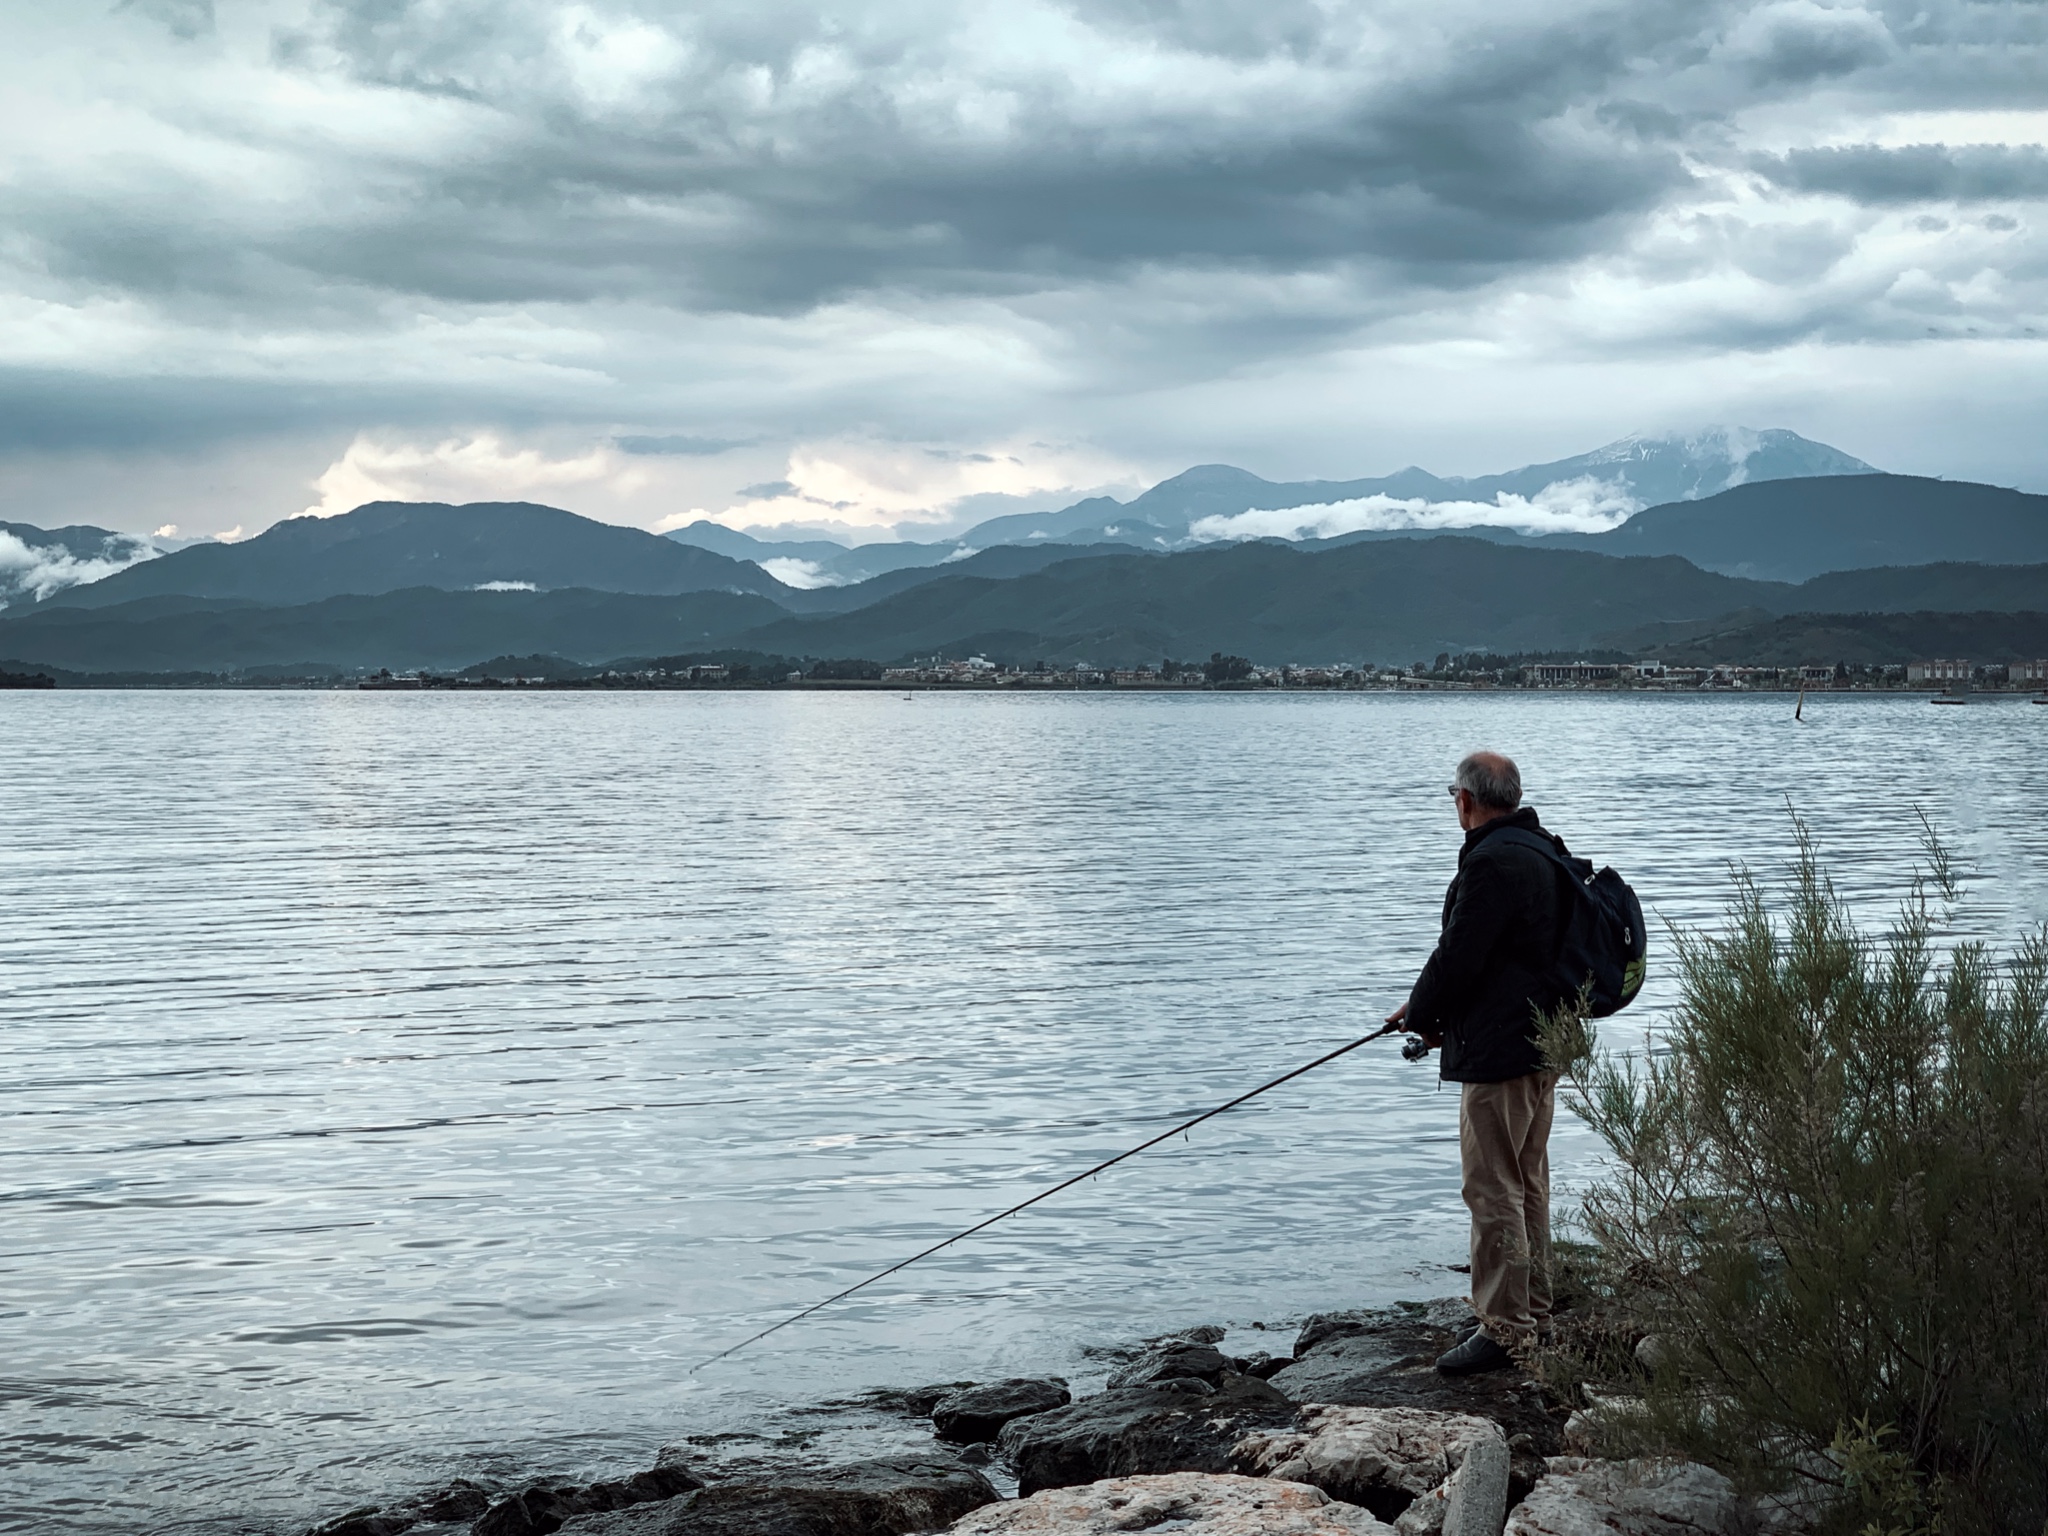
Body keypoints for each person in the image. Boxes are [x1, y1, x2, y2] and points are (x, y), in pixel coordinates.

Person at [1385, 750, 1571, 1376]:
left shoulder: (1492, 861)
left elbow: (1459, 957)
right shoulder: (1543, 849)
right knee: (1528, 1182)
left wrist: (1420, 1012)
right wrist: (1432, 1017)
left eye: (1452, 798)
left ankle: (1504, 1328)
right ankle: (1535, 1313)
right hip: (1543, 1042)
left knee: (1492, 1186)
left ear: (1465, 800)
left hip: (1501, 1054)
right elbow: (1508, 961)